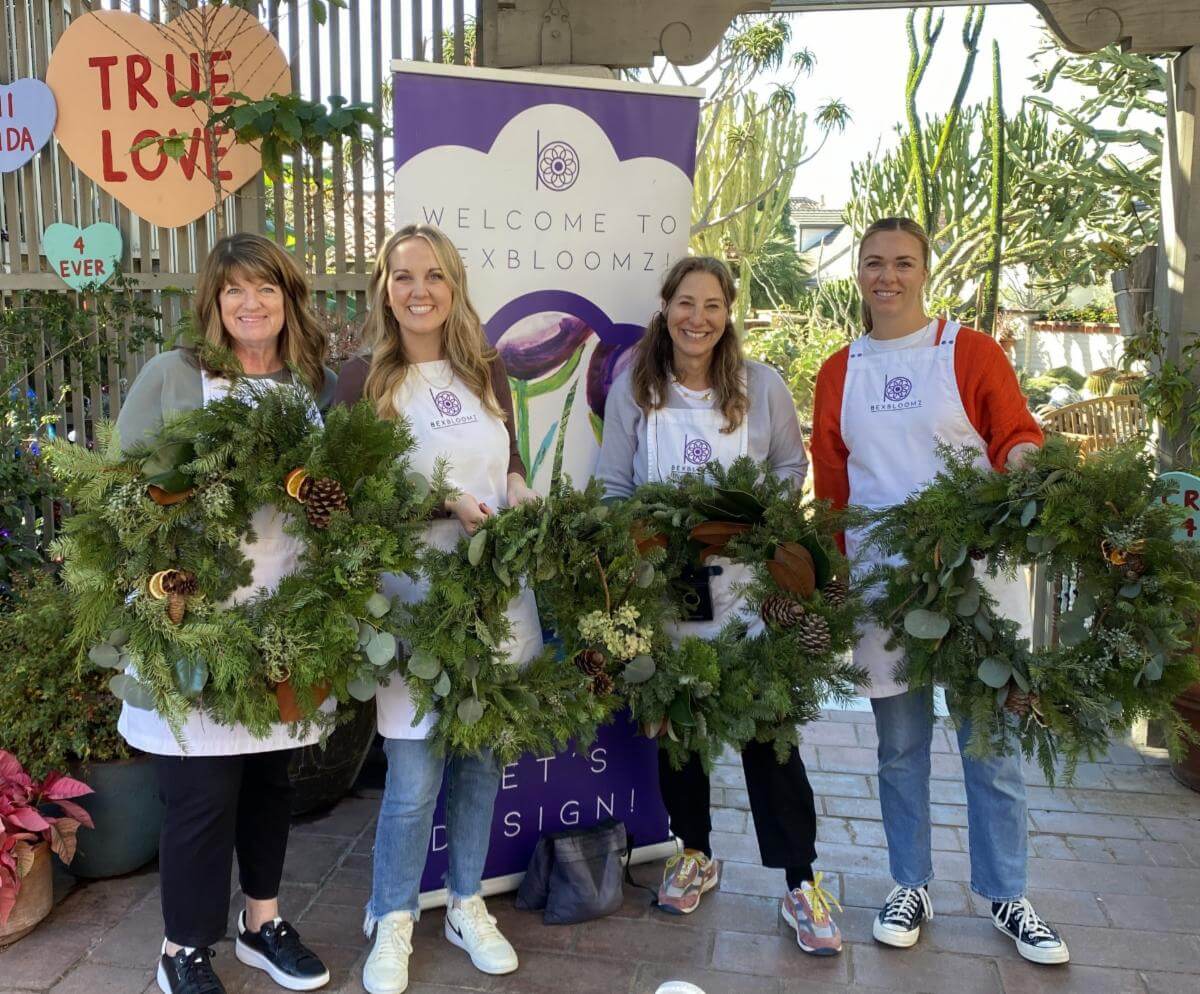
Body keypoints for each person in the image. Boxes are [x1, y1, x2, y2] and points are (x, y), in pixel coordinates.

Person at [810, 216, 1070, 966]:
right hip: (884, 585)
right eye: (872, 264)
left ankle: (1008, 894)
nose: (886, 276)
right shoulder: (840, 369)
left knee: (991, 744)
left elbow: (1015, 432)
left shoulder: (971, 351)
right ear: (857, 274)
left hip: (975, 581)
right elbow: (833, 486)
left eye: (902, 263)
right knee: (899, 748)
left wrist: (1026, 465)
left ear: (925, 271)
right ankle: (910, 884)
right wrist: (832, 576)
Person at [593, 256, 842, 957]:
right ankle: (694, 851)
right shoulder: (633, 388)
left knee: (772, 738)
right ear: (665, 306)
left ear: (728, 312)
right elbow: (613, 484)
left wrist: (754, 518)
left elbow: (792, 467)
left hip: (752, 588)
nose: (697, 318)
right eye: (685, 303)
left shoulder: (761, 387)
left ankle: (801, 881)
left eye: (712, 305)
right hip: (672, 585)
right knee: (682, 730)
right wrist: (643, 541)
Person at [115, 233, 337, 994]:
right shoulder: (174, 376)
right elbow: (121, 487)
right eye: (235, 289)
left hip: (284, 621)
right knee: (202, 796)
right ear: (211, 301)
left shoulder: (313, 384)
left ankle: (261, 922)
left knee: (273, 781)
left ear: (288, 300)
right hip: (198, 623)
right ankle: (183, 947)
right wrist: (159, 585)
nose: (252, 304)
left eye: (267, 288)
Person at [333, 223, 541, 994]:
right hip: (412, 604)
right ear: (384, 288)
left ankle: (465, 904)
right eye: (402, 276)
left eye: (433, 276)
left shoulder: (485, 367)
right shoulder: (362, 381)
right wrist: (440, 501)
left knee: (482, 759)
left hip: (494, 594)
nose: (418, 290)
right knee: (416, 772)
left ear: (453, 286)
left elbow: (510, 463)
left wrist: (522, 502)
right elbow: (352, 497)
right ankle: (393, 918)